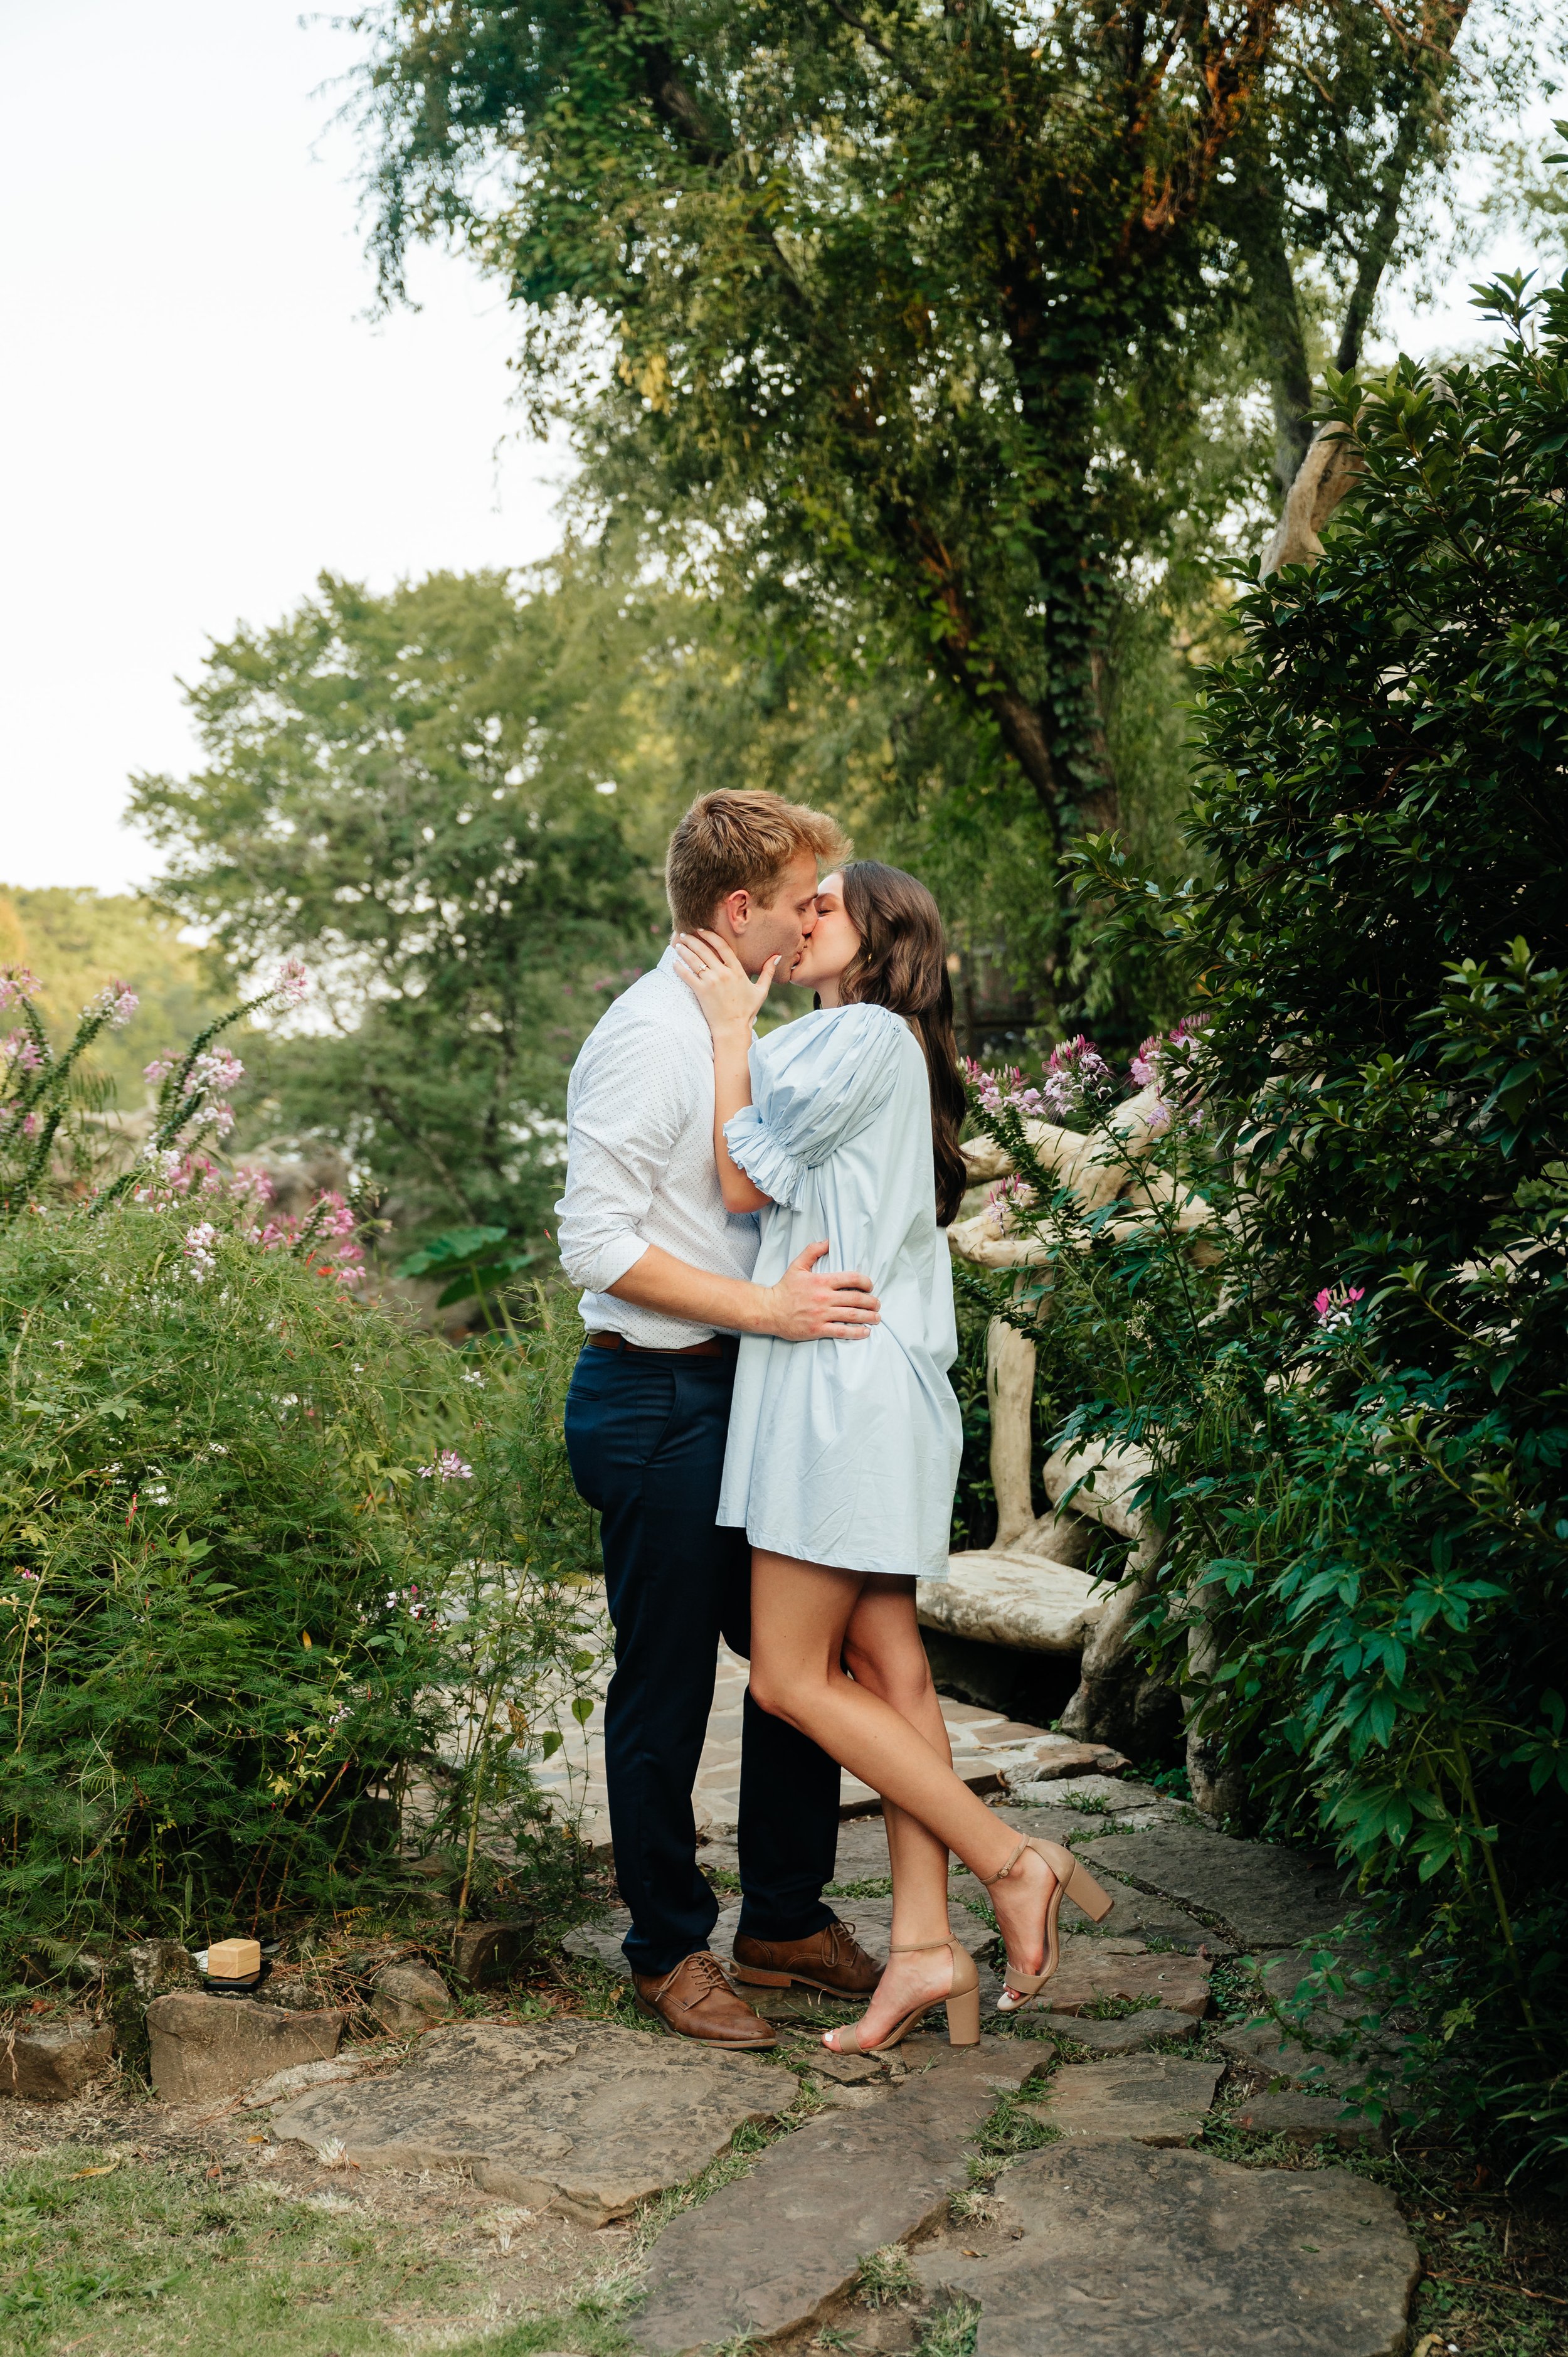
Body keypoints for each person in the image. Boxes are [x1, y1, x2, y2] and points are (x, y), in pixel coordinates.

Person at [673, 861, 1113, 2056]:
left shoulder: (854, 1032)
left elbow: (733, 1173)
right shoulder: (881, 1052)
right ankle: (926, 1948)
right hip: (873, 1388)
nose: (803, 915)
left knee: (787, 1677)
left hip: (838, 1393)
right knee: (890, 1669)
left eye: (825, 903)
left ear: (882, 937)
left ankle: (1013, 1861)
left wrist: (726, 1030)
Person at [555, 790, 884, 2051]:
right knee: (669, 1680)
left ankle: (785, 1920)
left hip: (743, 1388)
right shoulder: (648, 1035)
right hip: (656, 1398)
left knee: (809, 1663)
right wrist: (770, 1308)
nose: (817, 916)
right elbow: (594, 1241)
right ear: (737, 909)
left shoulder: (740, 1025)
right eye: (803, 898)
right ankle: (665, 1950)